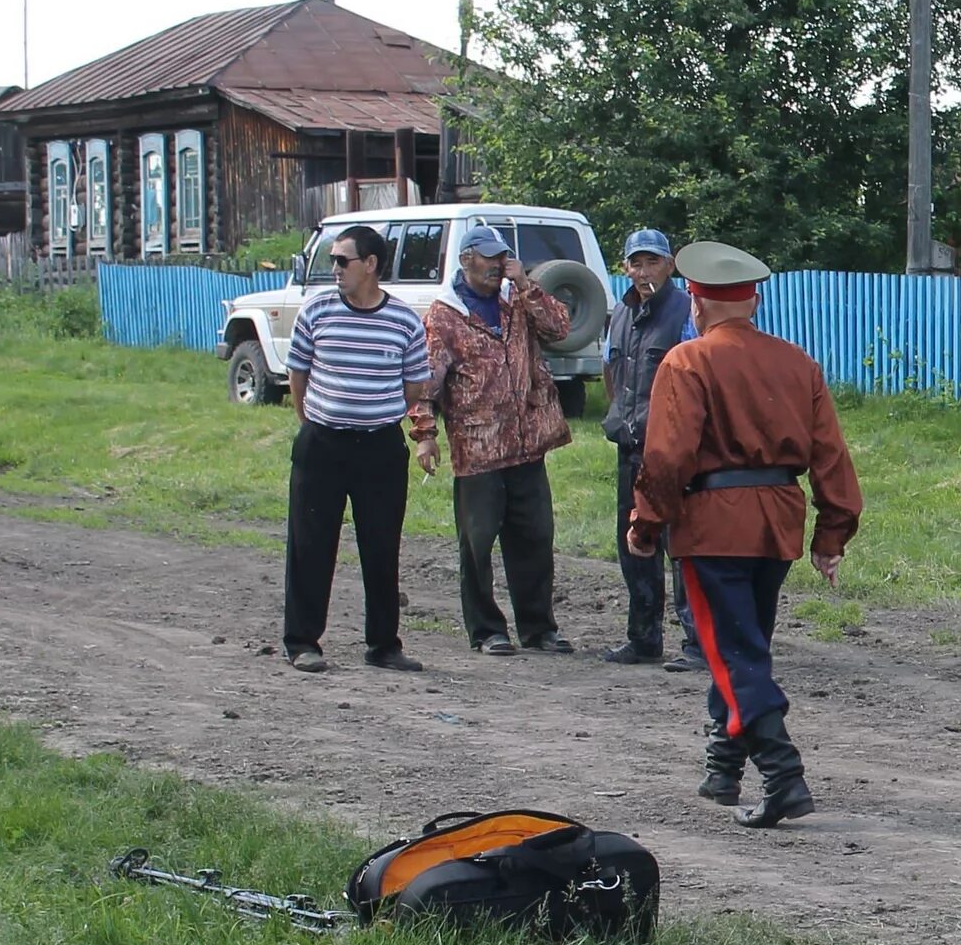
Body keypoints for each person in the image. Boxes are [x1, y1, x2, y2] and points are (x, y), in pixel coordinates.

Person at [626, 241, 863, 829]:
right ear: (753, 301)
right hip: (777, 522)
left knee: (734, 653)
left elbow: (667, 456)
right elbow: (831, 455)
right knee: (742, 644)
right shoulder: (798, 362)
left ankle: (784, 776)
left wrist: (646, 521)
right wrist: (831, 533)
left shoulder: (687, 362)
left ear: (698, 303)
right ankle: (724, 766)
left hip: (711, 524)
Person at [281, 223, 433, 673]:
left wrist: (376, 413)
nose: (335, 270)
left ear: (370, 265)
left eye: (342, 261)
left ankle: (384, 644)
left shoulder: (403, 319)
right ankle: (302, 641)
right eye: (331, 261)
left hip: (380, 448)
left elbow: (415, 384)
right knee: (311, 544)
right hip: (323, 443)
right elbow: (297, 373)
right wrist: (312, 419)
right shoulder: (318, 310)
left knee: (382, 545)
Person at [420, 224, 574, 656]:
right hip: (477, 449)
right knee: (478, 543)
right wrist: (425, 435)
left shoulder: (516, 301)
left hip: (527, 444)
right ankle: (487, 630)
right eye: (488, 257)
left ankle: (538, 627)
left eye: (502, 257)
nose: (496, 265)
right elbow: (425, 383)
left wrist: (526, 284)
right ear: (466, 259)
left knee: (536, 538)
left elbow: (560, 327)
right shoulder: (444, 315)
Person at [598, 227, 699, 670]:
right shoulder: (620, 311)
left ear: (670, 264)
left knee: (682, 544)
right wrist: (621, 415)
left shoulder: (685, 312)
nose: (644, 272)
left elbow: (700, 375)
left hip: (674, 451)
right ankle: (643, 639)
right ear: (625, 268)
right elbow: (609, 370)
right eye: (636, 263)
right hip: (631, 447)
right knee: (634, 545)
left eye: (652, 262)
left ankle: (697, 642)